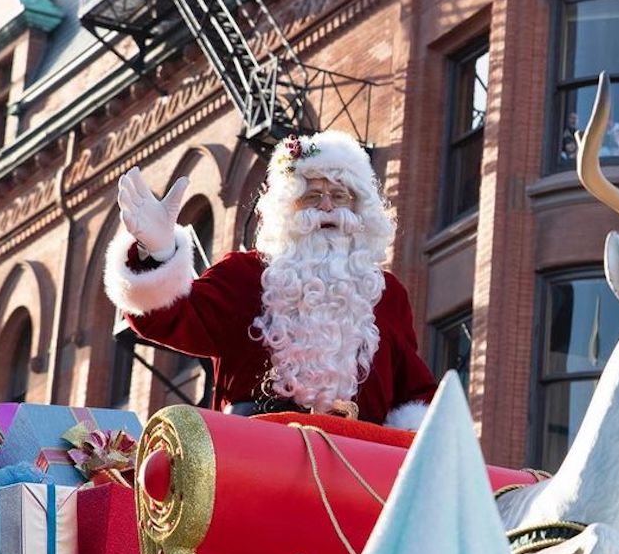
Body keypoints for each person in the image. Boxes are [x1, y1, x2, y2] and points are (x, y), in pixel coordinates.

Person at [103, 130, 437, 429]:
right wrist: (158, 254)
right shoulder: (247, 275)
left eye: (339, 196)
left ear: (360, 209)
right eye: (311, 196)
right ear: (287, 210)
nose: (326, 207)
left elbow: (414, 391)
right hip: (257, 459)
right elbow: (173, 317)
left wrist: (422, 435)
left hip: (356, 468)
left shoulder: (385, 293)